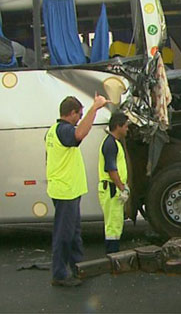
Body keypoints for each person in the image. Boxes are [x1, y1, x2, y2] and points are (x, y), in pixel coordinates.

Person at [45, 94, 109, 287]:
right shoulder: (64, 130)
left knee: (73, 233)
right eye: (79, 115)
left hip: (67, 189)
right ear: (71, 113)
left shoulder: (53, 130)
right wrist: (94, 108)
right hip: (66, 190)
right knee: (64, 234)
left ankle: (79, 268)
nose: (80, 119)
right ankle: (60, 274)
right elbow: (79, 134)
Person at [97, 111, 129, 254]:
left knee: (115, 223)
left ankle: (113, 254)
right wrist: (122, 188)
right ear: (118, 126)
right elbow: (111, 169)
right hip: (111, 189)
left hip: (112, 188)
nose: (127, 129)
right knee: (113, 224)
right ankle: (112, 255)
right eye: (126, 126)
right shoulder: (111, 144)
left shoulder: (112, 142)